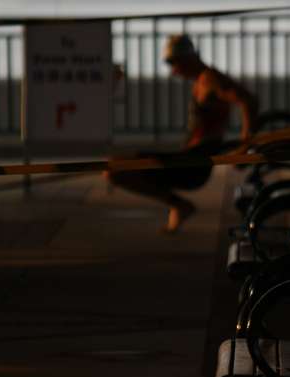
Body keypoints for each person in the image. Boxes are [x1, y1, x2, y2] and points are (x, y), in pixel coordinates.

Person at [109, 34, 258, 233]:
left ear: (187, 58)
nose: (173, 71)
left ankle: (179, 205)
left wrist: (245, 145)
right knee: (116, 165)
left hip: (194, 164)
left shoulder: (209, 79)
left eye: (173, 63)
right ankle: (179, 205)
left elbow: (248, 100)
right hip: (190, 158)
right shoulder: (204, 80)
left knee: (115, 171)